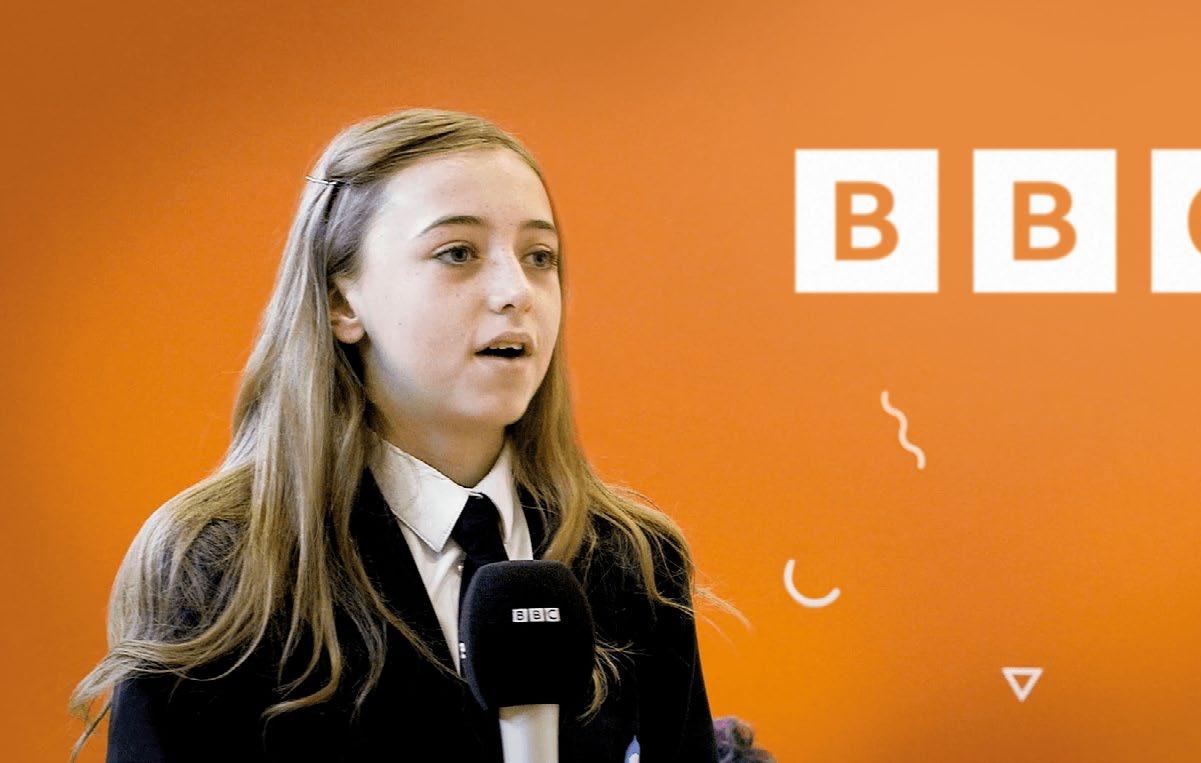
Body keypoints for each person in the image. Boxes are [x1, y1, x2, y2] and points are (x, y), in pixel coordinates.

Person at [68, 107, 734, 762]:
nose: (516, 291)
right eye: (457, 253)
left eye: (540, 256)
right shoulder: (222, 565)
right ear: (342, 301)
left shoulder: (634, 558)